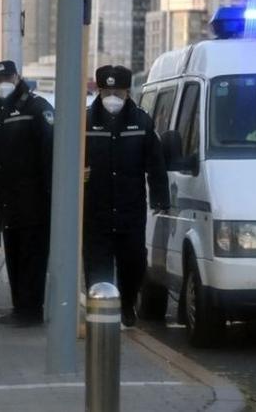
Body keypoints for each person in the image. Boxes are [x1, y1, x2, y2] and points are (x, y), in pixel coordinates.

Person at [83, 65, 170, 327]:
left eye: (117, 92)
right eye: (106, 91)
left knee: (133, 262)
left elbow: (156, 164)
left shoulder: (141, 122)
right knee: (97, 264)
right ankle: (100, 310)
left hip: (129, 208)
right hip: (94, 208)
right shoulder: (85, 121)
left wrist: (159, 198)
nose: (112, 97)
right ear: (99, 91)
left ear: (127, 92)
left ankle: (128, 303)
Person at [0, 60, 54, 327]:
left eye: (7, 78)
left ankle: (31, 310)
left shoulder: (36, 108)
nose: (2, 84)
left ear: (18, 76)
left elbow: (50, 153)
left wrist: (51, 195)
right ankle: (19, 307)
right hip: (7, 201)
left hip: (35, 200)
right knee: (13, 255)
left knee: (32, 257)